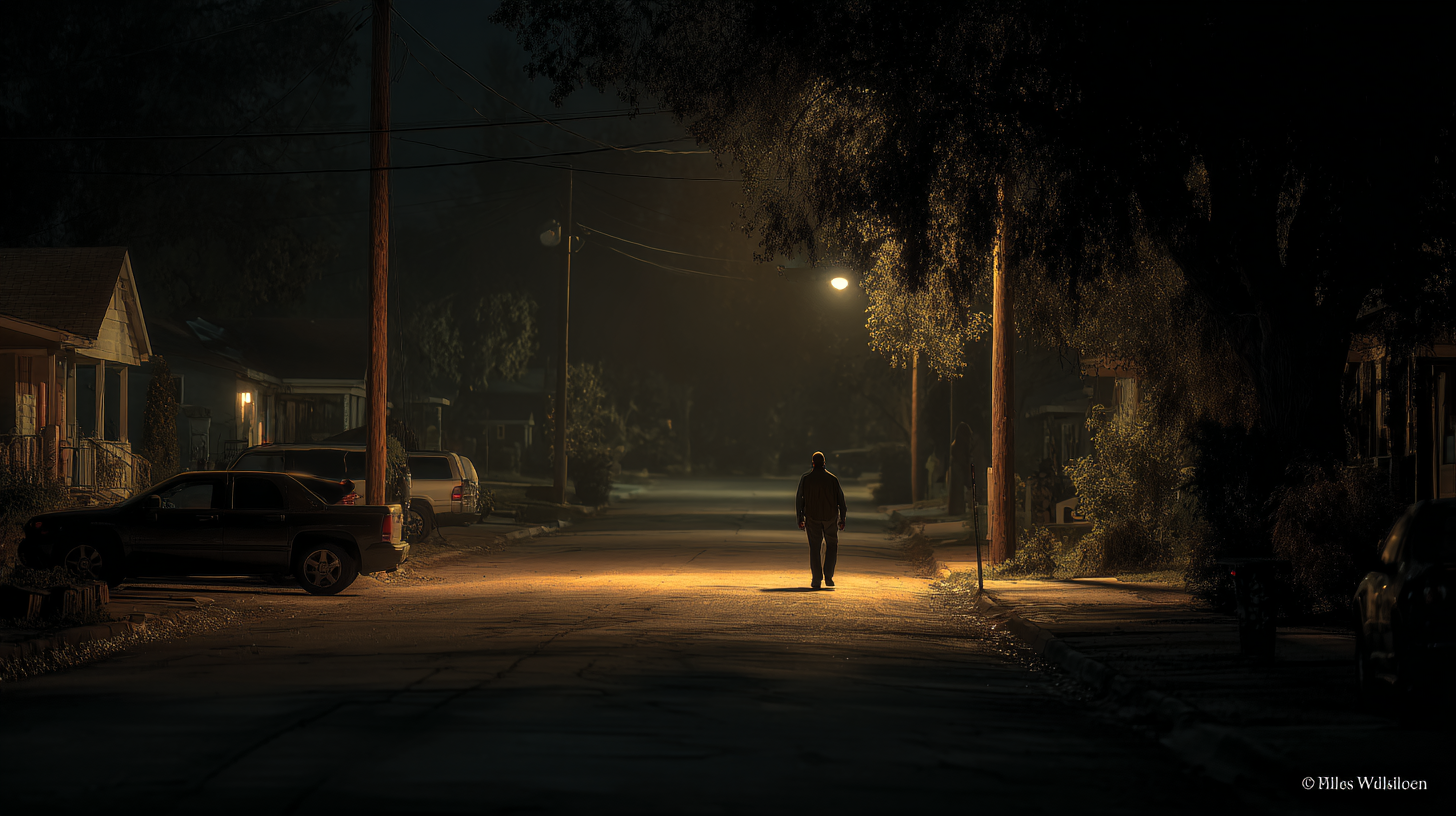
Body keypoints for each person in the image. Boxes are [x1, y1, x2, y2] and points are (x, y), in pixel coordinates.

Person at [796, 451, 847, 589]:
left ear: (812, 463)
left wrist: (800, 517)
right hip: (830, 518)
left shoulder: (806, 479)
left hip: (812, 518)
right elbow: (841, 501)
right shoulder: (832, 479)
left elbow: (799, 499)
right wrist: (842, 518)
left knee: (815, 548)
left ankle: (816, 579)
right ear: (824, 463)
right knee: (832, 545)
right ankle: (828, 576)